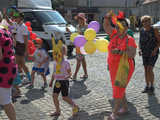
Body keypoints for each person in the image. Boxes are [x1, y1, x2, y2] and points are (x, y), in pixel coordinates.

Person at [103, 11, 137, 120]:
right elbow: (106, 25)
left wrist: (120, 52)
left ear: (126, 28)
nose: (118, 29)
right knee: (119, 88)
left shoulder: (129, 39)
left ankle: (114, 112)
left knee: (118, 88)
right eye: (117, 26)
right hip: (113, 67)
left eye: (121, 26)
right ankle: (126, 108)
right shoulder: (113, 35)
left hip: (124, 67)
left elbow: (132, 55)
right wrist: (107, 17)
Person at [49, 44, 79, 116]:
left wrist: (68, 76)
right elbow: (54, 72)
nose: (59, 53)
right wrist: (51, 81)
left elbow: (70, 72)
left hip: (64, 81)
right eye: (58, 51)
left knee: (65, 97)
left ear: (64, 52)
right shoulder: (55, 61)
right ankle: (58, 110)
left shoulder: (66, 62)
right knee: (54, 96)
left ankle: (75, 106)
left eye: (61, 51)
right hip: (57, 82)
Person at [0, 11, 17, 120]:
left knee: (6, 101)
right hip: (9, 67)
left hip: (3, 71)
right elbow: (13, 44)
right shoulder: (4, 30)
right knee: (6, 100)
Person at [139, 15, 160, 93]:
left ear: (150, 21)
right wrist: (140, 49)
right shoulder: (141, 30)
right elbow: (140, 42)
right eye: (143, 21)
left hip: (153, 53)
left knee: (149, 69)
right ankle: (147, 86)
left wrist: (155, 50)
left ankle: (152, 86)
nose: (145, 22)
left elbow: (159, 41)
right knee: (145, 70)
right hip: (145, 53)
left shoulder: (154, 29)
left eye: (147, 20)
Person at [14, 12, 32, 82]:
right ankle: (23, 78)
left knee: (22, 64)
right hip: (17, 45)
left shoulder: (24, 27)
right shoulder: (17, 24)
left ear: (21, 18)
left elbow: (26, 40)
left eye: (17, 17)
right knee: (18, 63)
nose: (15, 18)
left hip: (21, 46)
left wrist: (26, 50)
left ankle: (28, 78)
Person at [71, 13, 88, 80]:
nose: (79, 20)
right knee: (83, 60)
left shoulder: (87, 26)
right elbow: (75, 35)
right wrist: (70, 32)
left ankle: (75, 75)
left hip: (83, 46)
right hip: (78, 46)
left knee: (79, 60)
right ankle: (86, 74)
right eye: (78, 19)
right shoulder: (77, 26)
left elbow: (88, 36)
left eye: (80, 18)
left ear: (83, 19)